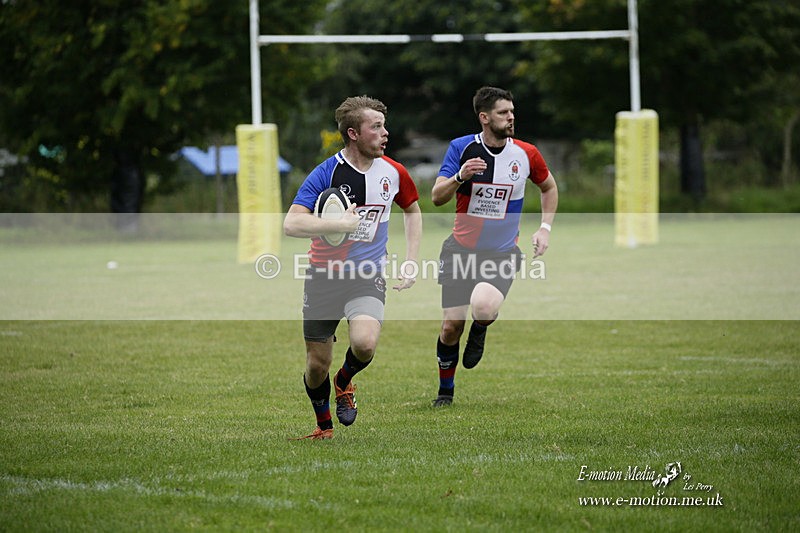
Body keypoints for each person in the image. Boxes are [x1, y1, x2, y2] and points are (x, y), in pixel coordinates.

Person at [284, 95, 422, 439]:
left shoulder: (394, 172)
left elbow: (413, 210)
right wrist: (337, 226)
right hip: (322, 277)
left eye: (383, 125)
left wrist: (411, 262)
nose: (385, 133)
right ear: (354, 133)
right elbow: (291, 224)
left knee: (364, 343)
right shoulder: (326, 173)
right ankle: (323, 426)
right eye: (376, 127)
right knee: (317, 365)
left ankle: (344, 381)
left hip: (367, 276)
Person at [430, 86, 558, 407]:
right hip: (459, 250)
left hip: (501, 252)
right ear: (484, 118)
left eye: (512, 111)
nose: (511, 117)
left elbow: (549, 187)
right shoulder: (461, 148)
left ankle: (482, 327)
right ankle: (446, 391)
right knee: (450, 328)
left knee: (483, 308)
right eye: (503, 112)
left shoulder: (527, 154)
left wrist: (544, 228)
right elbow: (437, 196)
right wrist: (460, 176)